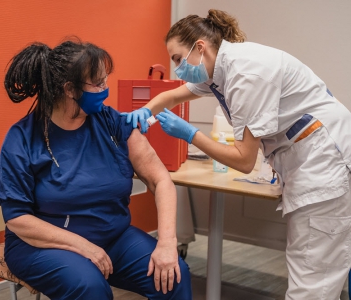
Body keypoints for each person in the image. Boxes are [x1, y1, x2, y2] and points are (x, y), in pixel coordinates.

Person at [123, 9, 351, 300]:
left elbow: (244, 160)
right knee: (322, 266)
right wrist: (143, 110)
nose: (178, 68)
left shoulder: (246, 73)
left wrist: (191, 134)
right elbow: (174, 95)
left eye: (179, 58)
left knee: (311, 277)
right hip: (317, 158)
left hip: (323, 165)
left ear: (200, 47)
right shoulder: (221, 69)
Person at [0, 38, 192, 300]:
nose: (105, 89)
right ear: (69, 89)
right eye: (98, 83)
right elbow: (17, 218)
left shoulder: (112, 124)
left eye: (105, 80)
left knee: (174, 275)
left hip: (113, 237)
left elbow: (160, 180)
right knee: (90, 288)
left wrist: (167, 243)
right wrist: (82, 246)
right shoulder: (23, 138)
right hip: (42, 245)